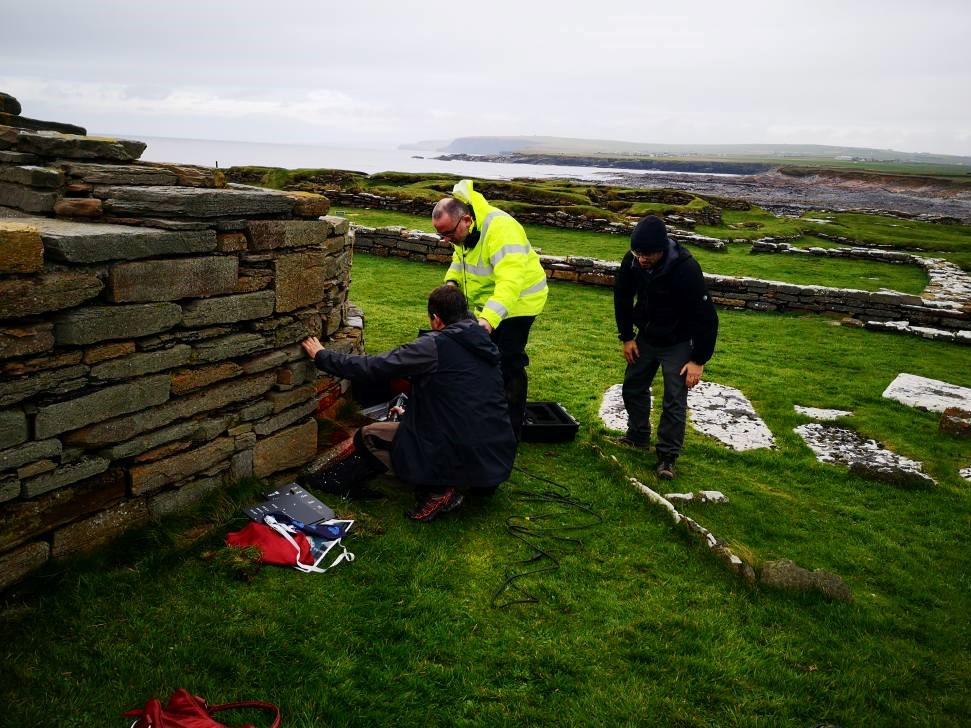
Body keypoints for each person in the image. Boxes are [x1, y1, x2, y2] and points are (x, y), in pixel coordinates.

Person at [300, 285, 517, 522]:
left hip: (458, 448)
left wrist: (322, 355)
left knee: (368, 437)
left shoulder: (434, 346)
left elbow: (372, 367)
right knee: (416, 427)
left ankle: (436, 489)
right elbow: (457, 398)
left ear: (436, 319)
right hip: (496, 458)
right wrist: (411, 411)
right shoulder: (483, 344)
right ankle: (456, 479)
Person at [433, 179, 548, 440]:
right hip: (490, 305)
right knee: (486, 360)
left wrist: (488, 321)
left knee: (509, 362)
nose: (446, 240)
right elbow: (459, 261)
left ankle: (509, 432)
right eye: (442, 236)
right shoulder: (463, 233)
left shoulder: (502, 229)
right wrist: (451, 284)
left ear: (466, 220)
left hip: (520, 304)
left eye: (449, 234)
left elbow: (510, 282)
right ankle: (485, 418)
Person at [613, 215, 719, 481]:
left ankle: (667, 457)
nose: (641, 258)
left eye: (647, 254)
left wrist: (698, 359)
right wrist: (627, 337)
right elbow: (622, 297)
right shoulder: (632, 261)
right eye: (637, 252)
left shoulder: (686, 268)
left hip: (679, 341)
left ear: (661, 249)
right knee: (633, 385)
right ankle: (637, 436)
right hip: (646, 336)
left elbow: (706, 316)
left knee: (674, 398)